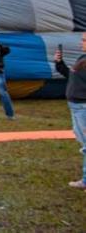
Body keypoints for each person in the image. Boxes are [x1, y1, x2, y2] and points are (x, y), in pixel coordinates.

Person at [55, 34, 86, 190]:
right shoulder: (82, 57)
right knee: (82, 141)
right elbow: (70, 76)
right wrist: (59, 63)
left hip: (83, 107)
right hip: (75, 105)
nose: (82, 42)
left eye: (85, 40)